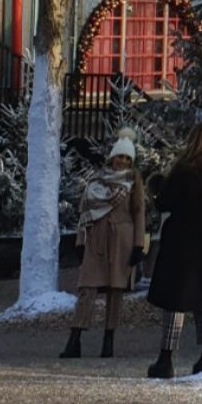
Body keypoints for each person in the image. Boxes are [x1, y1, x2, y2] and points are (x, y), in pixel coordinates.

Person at [145, 123, 202, 380]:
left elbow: (166, 202)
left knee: (176, 299)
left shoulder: (186, 171)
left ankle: (166, 359)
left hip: (183, 243)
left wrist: (157, 186)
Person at [60, 137, 147, 360]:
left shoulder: (133, 182)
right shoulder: (96, 181)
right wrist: (80, 242)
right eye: (119, 156)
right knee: (86, 288)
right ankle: (74, 339)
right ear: (112, 157)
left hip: (121, 240)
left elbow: (139, 213)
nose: (122, 161)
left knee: (116, 291)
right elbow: (85, 214)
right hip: (96, 239)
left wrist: (138, 245)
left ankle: (109, 341)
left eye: (127, 158)